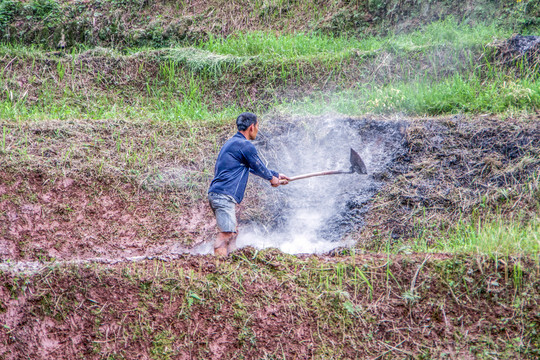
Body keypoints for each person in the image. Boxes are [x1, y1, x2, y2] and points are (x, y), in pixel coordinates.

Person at [208, 112, 290, 256]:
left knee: (233, 234)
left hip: (221, 195)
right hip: (223, 195)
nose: (258, 130)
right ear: (252, 127)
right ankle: (219, 268)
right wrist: (272, 179)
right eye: (258, 126)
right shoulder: (245, 145)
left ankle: (232, 263)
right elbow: (258, 166)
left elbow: (253, 166)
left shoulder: (234, 143)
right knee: (226, 234)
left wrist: (275, 175)